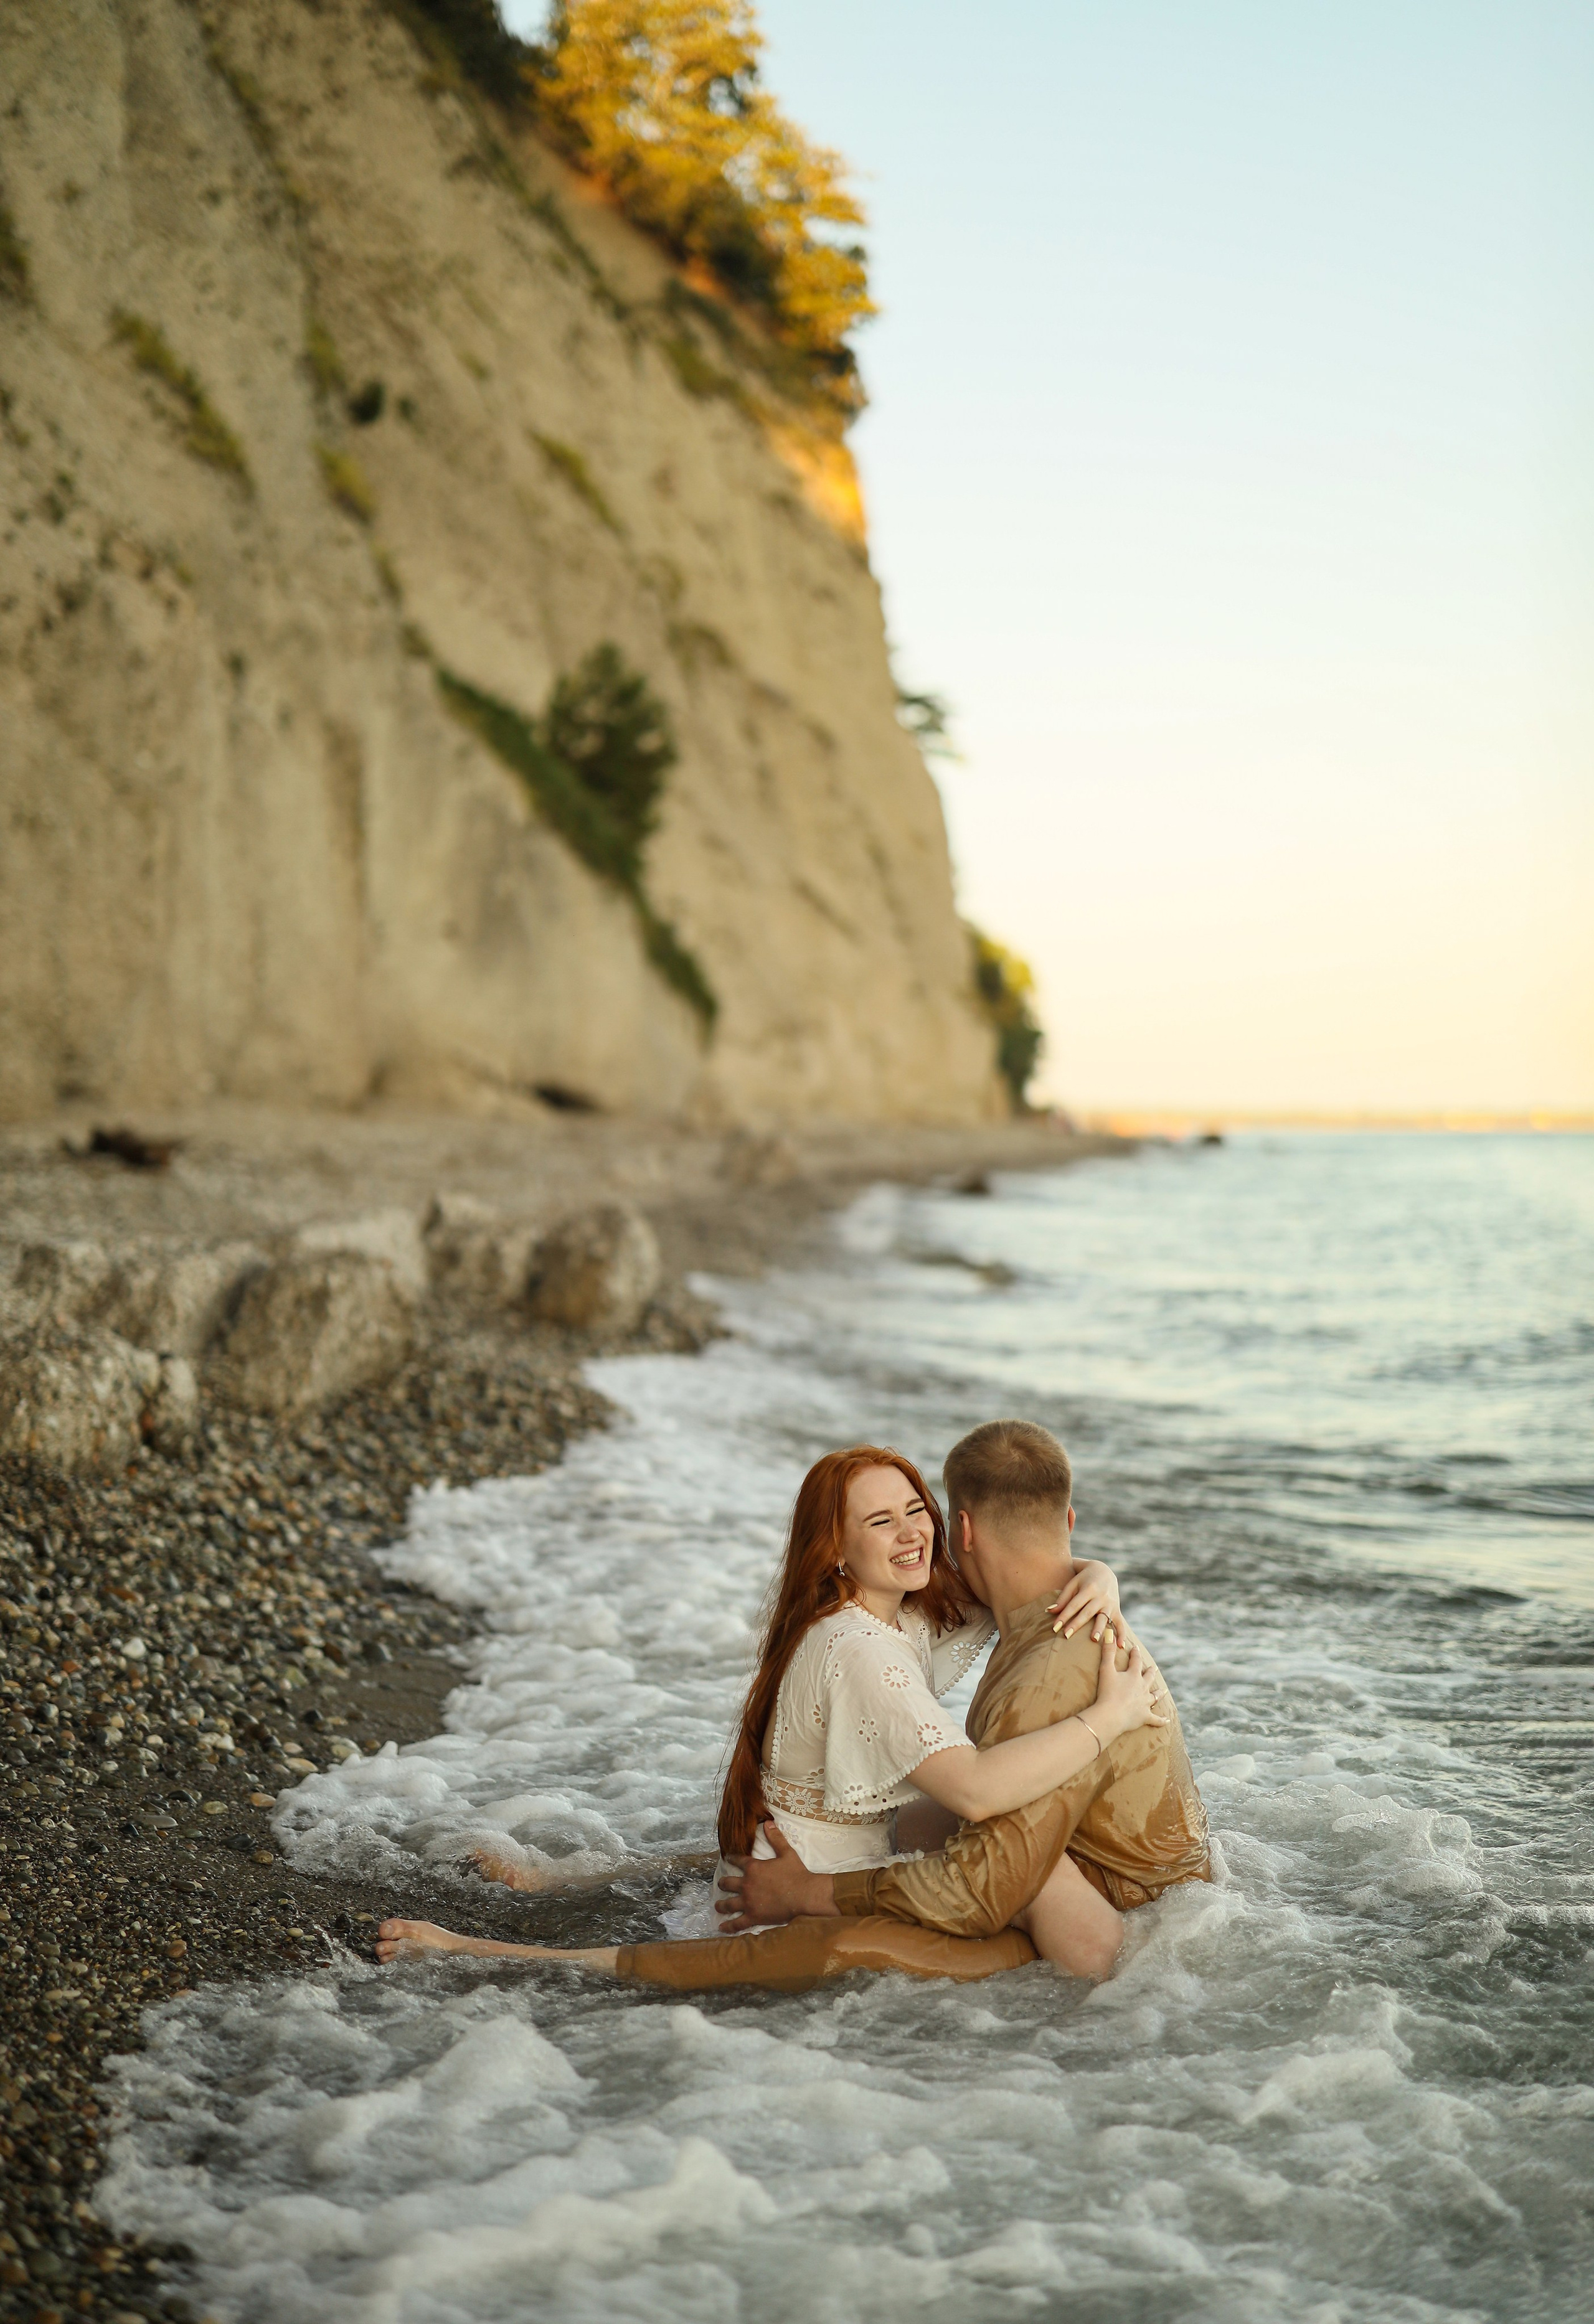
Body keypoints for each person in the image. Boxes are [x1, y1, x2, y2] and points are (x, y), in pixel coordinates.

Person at [378, 1426, 1204, 1987]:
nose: (913, 1533)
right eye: (882, 1520)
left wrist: (1097, 1573)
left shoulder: (912, 1617)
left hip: (822, 1842)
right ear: (835, 1546)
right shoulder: (862, 1646)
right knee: (929, 1859)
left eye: (916, 1511)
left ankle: (569, 1879)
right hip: (800, 1876)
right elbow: (983, 1790)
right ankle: (473, 1945)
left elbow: (1020, 1577)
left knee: (926, 1824)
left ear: (958, 1528)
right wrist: (1109, 1716)